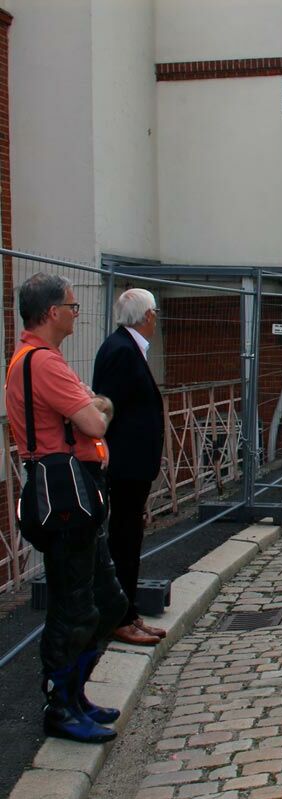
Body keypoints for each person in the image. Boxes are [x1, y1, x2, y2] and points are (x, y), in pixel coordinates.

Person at [5, 273, 126, 743]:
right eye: (73, 307)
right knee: (74, 604)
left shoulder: (36, 360)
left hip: (68, 491)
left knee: (102, 599)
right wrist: (102, 406)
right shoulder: (43, 364)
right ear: (52, 312)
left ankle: (75, 696)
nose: (77, 313)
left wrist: (92, 407)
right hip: (65, 495)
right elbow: (95, 418)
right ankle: (61, 704)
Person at [93, 288, 166, 647]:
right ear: (147, 316)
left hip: (133, 464)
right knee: (124, 540)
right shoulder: (121, 351)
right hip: (124, 466)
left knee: (130, 537)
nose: (156, 318)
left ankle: (130, 611)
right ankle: (120, 617)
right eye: (155, 312)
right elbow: (106, 408)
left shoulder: (128, 346)